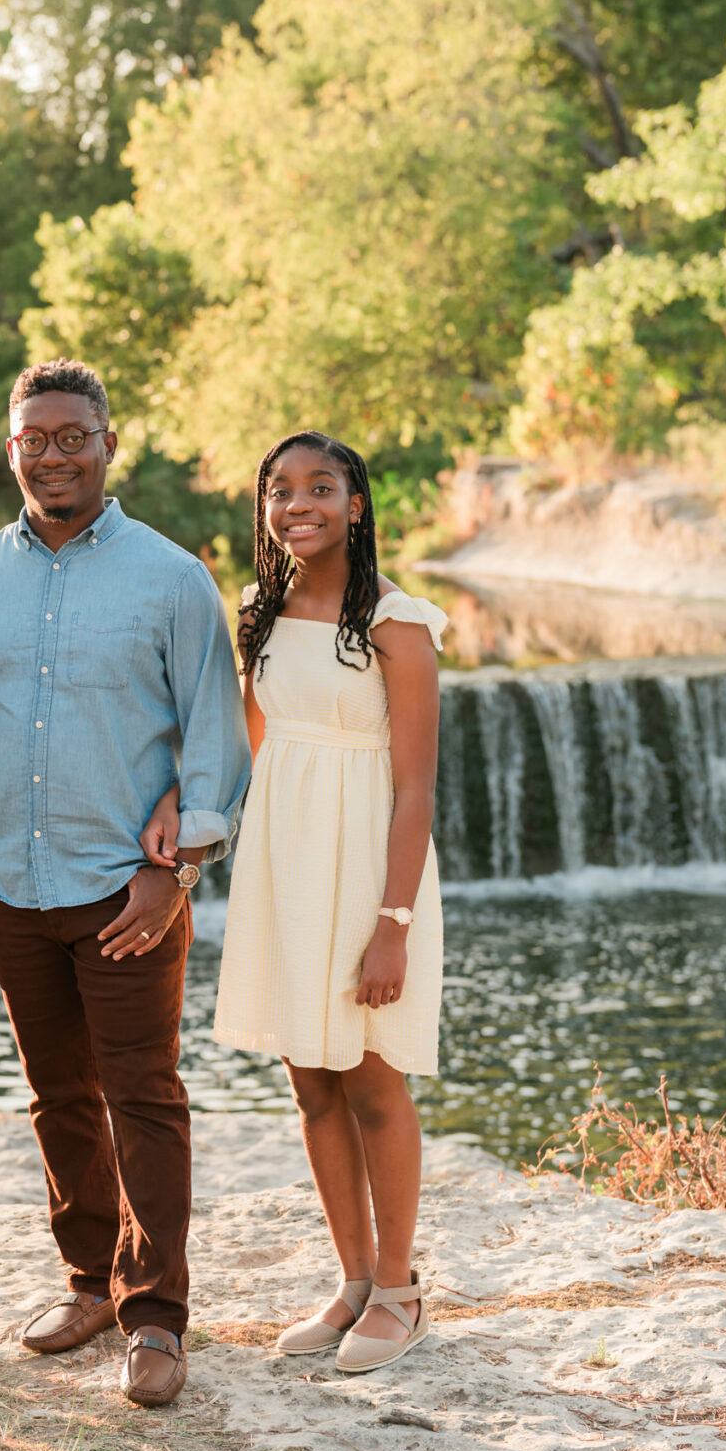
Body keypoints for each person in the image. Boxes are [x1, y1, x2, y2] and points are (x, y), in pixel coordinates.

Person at [0, 359, 251, 1409]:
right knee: (55, 1096)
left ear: (109, 445)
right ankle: (88, 1284)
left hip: (126, 890)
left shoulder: (169, 577)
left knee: (144, 1094)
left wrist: (180, 872)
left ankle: (155, 1314)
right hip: (12, 887)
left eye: (75, 436)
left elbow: (211, 735)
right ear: (9, 447)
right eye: (36, 438)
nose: (54, 454)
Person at [202, 431, 445, 1374]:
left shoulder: (396, 621)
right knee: (310, 1077)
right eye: (280, 490)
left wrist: (393, 927)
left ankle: (400, 1291)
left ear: (355, 501)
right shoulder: (259, 612)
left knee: (372, 1078)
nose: (298, 503)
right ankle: (349, 1284)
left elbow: (417, 787)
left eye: (320, 487)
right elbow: (254, 746)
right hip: (285, 861)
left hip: (367, 865)